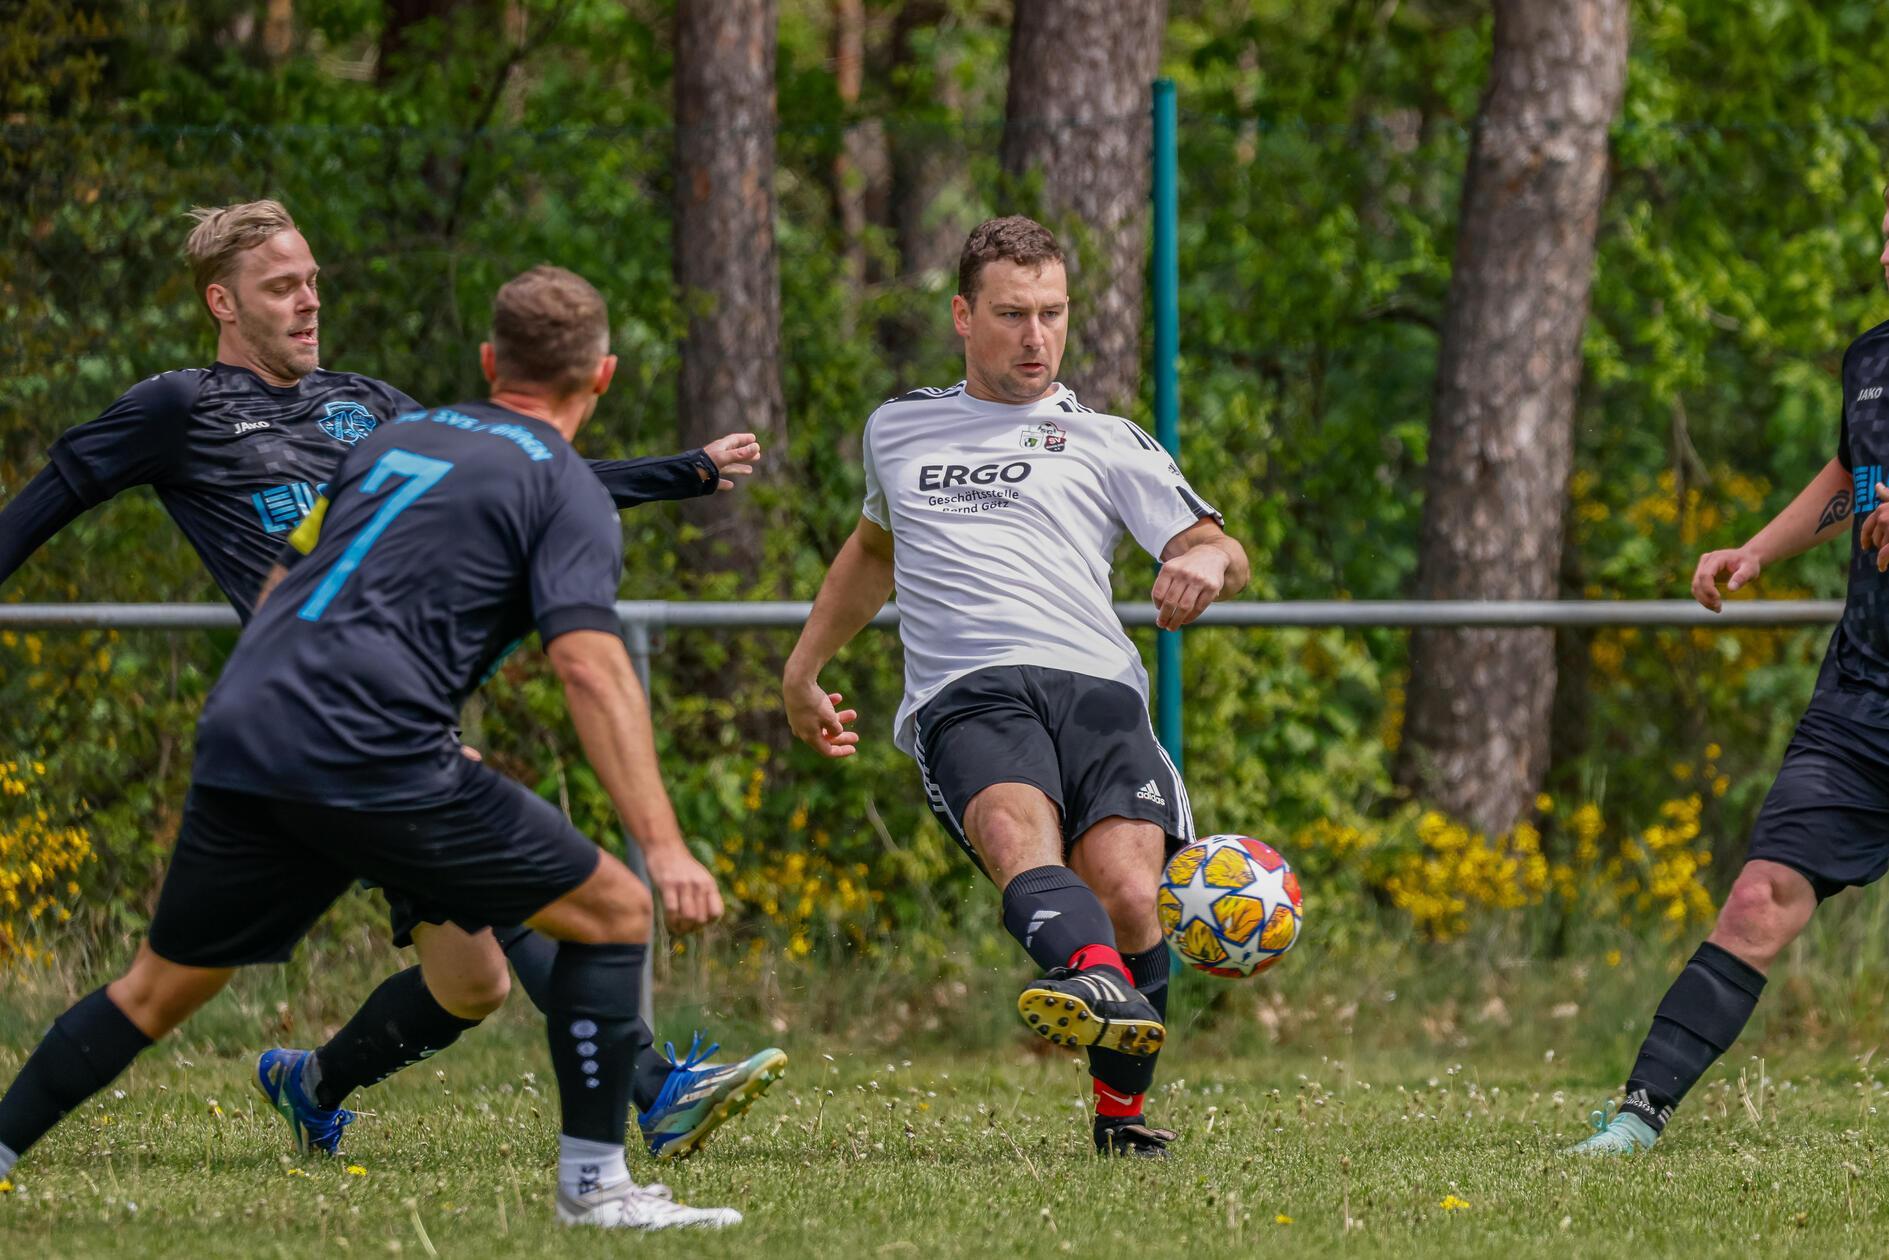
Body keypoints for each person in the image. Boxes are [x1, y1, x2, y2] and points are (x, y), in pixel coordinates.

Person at [0, 200, 781, 1162]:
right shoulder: (179, 406)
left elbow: (514, 467)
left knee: (472, 985)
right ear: (223, 302)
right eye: (280, 287)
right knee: (541, 894)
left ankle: (310, 1083)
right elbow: (37, 512)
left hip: (372, 716)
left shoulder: (368, 405)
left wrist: (682, 473)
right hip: (328, 719)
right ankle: (652, 1093)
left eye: (313, 282)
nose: (306, 302)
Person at [781, 216, 1249, 1158]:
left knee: (1127, 891)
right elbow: (874, 548)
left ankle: (1119, 1115)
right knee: (1013, 835)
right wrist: (804, 667)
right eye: (1011, 315)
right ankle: (1089, 976)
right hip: (968, 688)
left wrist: (1206, 566)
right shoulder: (898, 426)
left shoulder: (1107, 438)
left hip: (1096, 689)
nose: (1035, 338)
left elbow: (1214, 543)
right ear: (962, 315)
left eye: (1052, 314)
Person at [1569, 188, 1889, 1155]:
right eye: (1886, 236)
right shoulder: (1870, 359)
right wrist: (1754, 550)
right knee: (1758, 897)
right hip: (1862, 695)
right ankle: (1636, 1117)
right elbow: (1849, 479)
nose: (1886, 256)